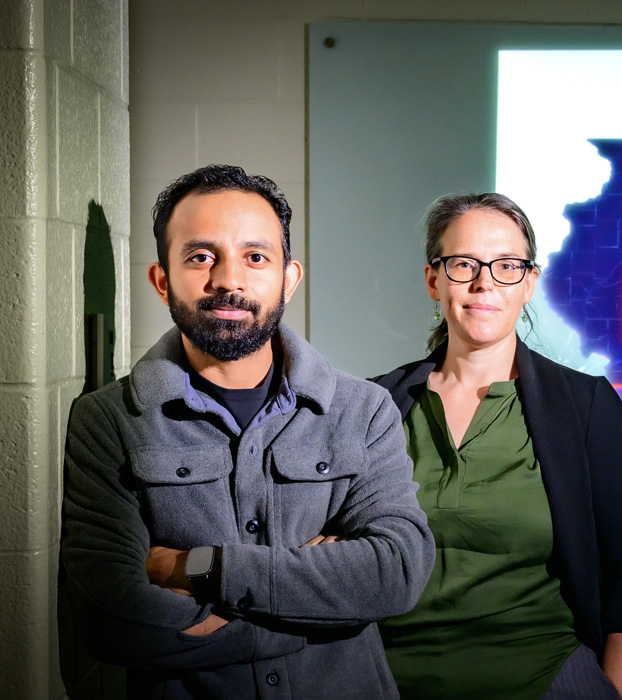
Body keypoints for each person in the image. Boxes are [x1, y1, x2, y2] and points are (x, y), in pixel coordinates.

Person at [59, 164, 435, 699]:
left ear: (289, 278)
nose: (228, 280)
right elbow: (110, 619)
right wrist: (314, 608)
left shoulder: (363, 411)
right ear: (162, 278)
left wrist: (194, 567)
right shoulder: (107, 420)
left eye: (255, 257)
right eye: (200, 256)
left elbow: (395, 571)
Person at [372, 193, 622, 700]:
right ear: (433, 280)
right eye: (464, 264)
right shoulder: (375, 406)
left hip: (547, 677)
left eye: (506, 266)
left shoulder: (585, 406)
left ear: (529, 282)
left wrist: (612, 691)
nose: (485, 282)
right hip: (390, 681)